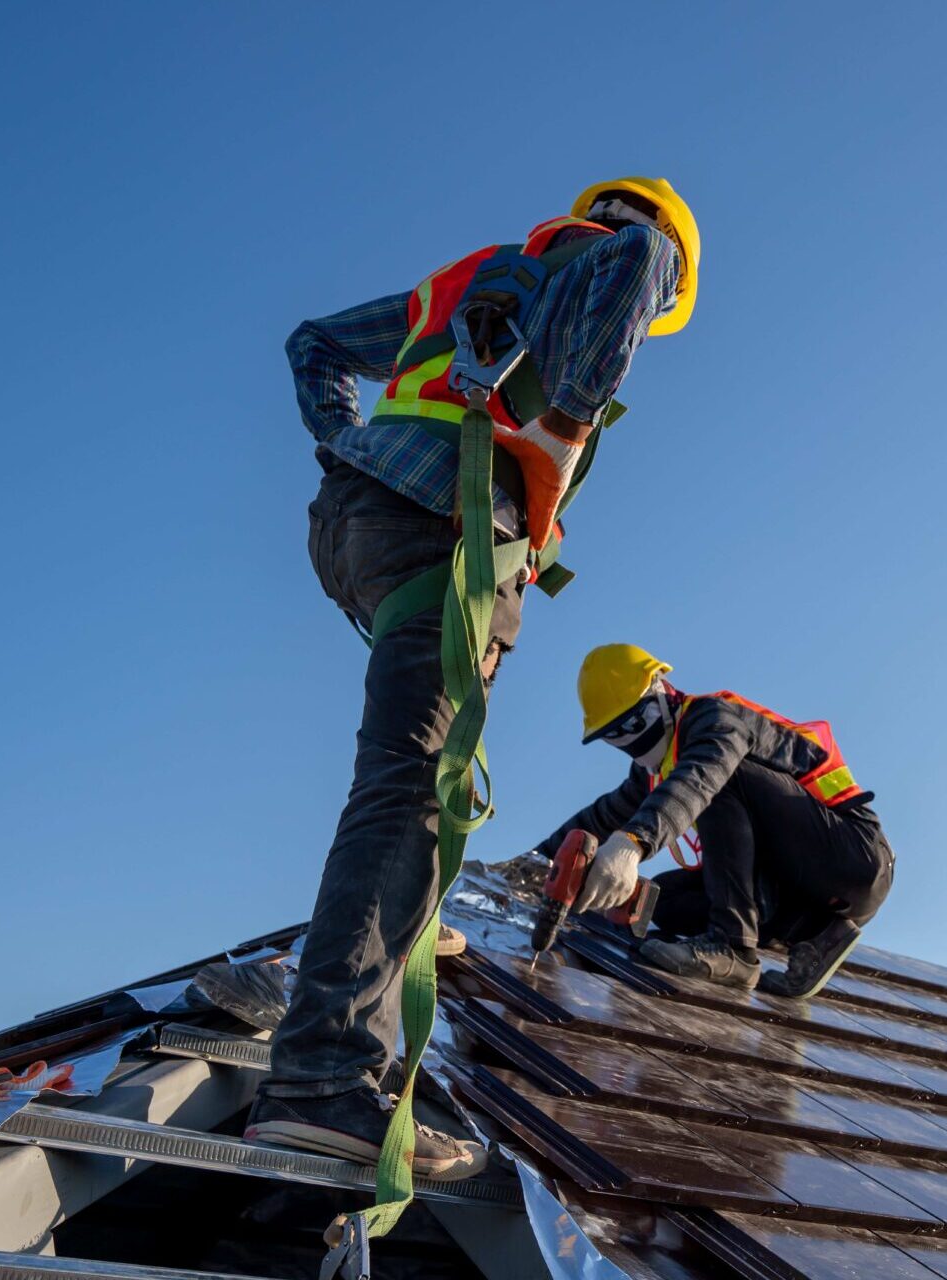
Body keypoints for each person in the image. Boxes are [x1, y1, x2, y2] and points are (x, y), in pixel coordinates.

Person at [244, 181, 700, 1177]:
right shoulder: (631, 250)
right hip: (447, 527)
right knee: (411, 784)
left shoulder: (462, 281)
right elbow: (631, 274)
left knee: (416, 760)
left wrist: (345, 439)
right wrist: (566, 412)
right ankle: (321, 1078)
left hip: (354, 523)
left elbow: (312, 342)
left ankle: (407, 927)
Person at [531, 644, 895, 1000]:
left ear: (663, 692)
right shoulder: (654, 772)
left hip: (855, 857)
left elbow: (700, 778)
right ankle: (816, 933)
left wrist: (632, 843)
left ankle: (733, 948)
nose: (631, 739)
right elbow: (605, 815)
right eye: (615, 734)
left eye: (636, 721)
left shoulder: (715, 719)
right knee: (660, 900)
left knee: (722, 776)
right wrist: (538, 863)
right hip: (802, 889)